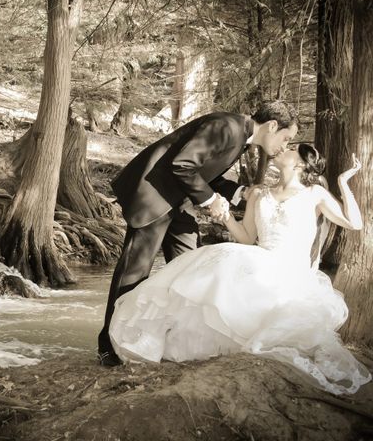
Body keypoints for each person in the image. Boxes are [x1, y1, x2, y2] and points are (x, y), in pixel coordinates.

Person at [108, 144, 371, 395]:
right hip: (261, 255)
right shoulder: (259, 193)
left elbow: (354, 223)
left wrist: (343, 183)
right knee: (212, 268)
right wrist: (226, 218)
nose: (285, 149)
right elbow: (246, 237)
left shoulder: (314, 194)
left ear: (301, 164)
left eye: (292, 149)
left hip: (292, 268)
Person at [98, 101, 299, 366]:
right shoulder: (226, 126)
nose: (285, 146)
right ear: (272, 126)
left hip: (179, 205)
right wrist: (209, 201)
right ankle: (109, 347)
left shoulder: (239, 136)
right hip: (154, 197)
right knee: (134, 272)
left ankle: (175, 345)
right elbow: (183, 164)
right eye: (286, 138)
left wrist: (239, 193)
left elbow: (204, 172)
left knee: (192, 271)